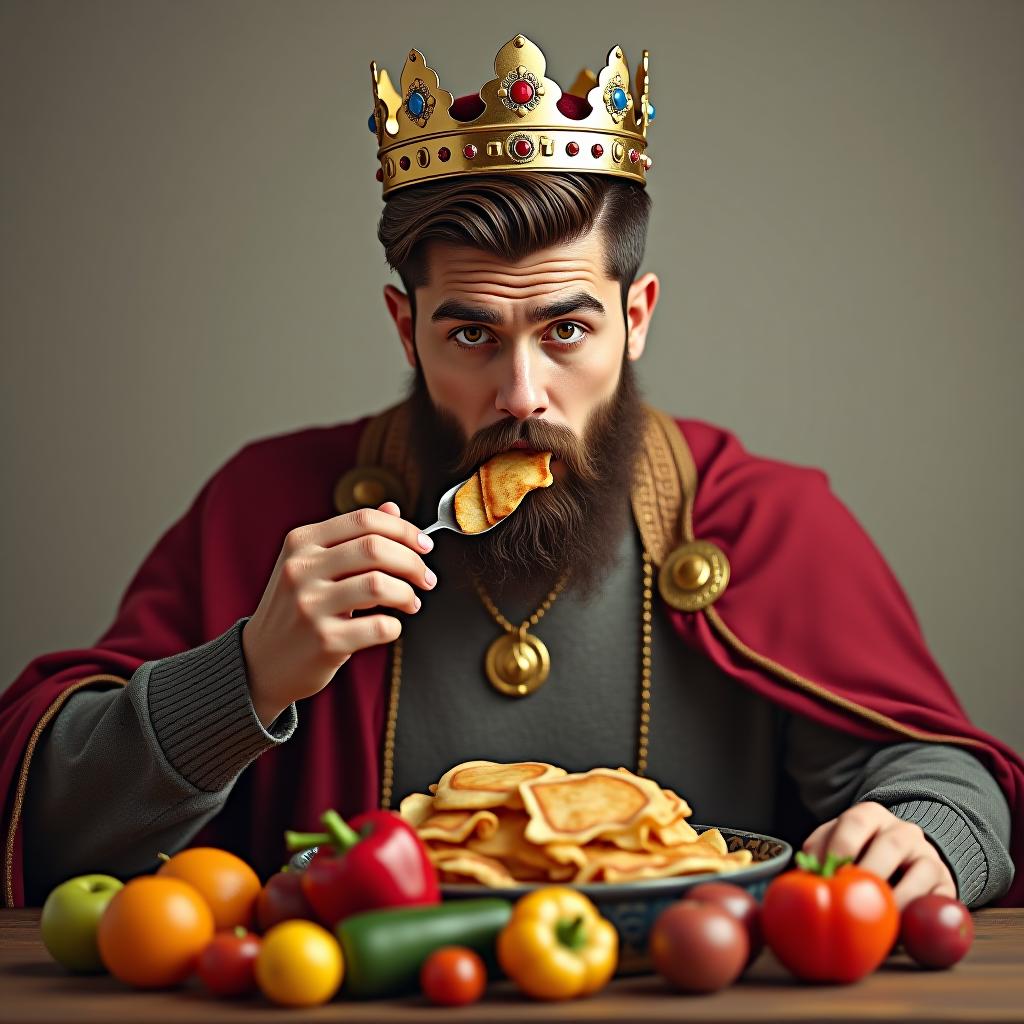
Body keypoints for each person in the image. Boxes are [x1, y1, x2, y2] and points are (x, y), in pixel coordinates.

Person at [2, 34, 1020, 910]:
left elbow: (938, 772)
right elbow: (43, 823)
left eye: (566, 329)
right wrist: (249, 672)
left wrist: (929, 828)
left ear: (639, 316)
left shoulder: (764, 517)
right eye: (472, 334)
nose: (522, 392)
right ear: (406, 328)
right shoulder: (268, 505)